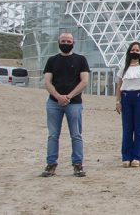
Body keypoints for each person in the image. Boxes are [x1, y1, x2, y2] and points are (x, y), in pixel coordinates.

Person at [40, 32, 90, 178]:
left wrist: (68, 96)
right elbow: (47, 82)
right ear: (58, 42)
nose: (66, 43)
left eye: (68, 41)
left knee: (76, 135)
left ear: (73, 42)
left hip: (74, 103)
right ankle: (51, 164)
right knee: (53, 135)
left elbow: (84, 81)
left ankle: (77, 164)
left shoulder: (81, 60)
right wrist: (57, 96)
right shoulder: (52, 60)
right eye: (63, 41)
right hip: (53, 103)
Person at [114, 42, 140, 167]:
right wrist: (117, 101)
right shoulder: (123, 66)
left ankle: (138, 157)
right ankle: (126, 157)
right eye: (133, 50)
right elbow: (119, 84)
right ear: (129, 51)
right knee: (127, 128)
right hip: (126, 97)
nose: (135, 52)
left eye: (137, 50)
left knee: (139, 129)